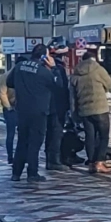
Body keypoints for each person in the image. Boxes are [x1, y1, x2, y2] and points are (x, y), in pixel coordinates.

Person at [6, 44, 61, 187]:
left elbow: (9, 82)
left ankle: (16, 173)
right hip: (39, 111)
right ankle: (32, 173)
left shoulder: (19, 66)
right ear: (44, 57)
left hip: (22, 110)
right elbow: (58, 87)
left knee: (22, 142)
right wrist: (54, 68)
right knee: (35, 143)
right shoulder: (44, 72)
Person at [71, 48, 111, 173]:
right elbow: (110, 84)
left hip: (84, 110)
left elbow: (72, 98)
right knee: (104, 136)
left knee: (90, 136)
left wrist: (74, 115)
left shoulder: (75, 74)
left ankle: (91, 163)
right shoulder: (98, 69)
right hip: (100, 109)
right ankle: (100, 162)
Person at [45, 38, 70, 173]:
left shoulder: (46, 67)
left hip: (49, 106)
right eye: (63, 55)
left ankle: (51, 158)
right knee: (56, 133)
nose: (65, 58)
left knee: (51, 132)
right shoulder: (56, 69)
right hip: (56, 106)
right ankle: (53, 160)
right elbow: (61, 87)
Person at [0, 55, 25, 164]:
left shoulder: (24, 76)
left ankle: (21, 155)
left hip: (22, 108)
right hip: (11, 108)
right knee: (11, 133)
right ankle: (10, 156)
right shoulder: (6, 76)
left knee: (23, 134)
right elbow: (2, 93)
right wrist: (8, 107)